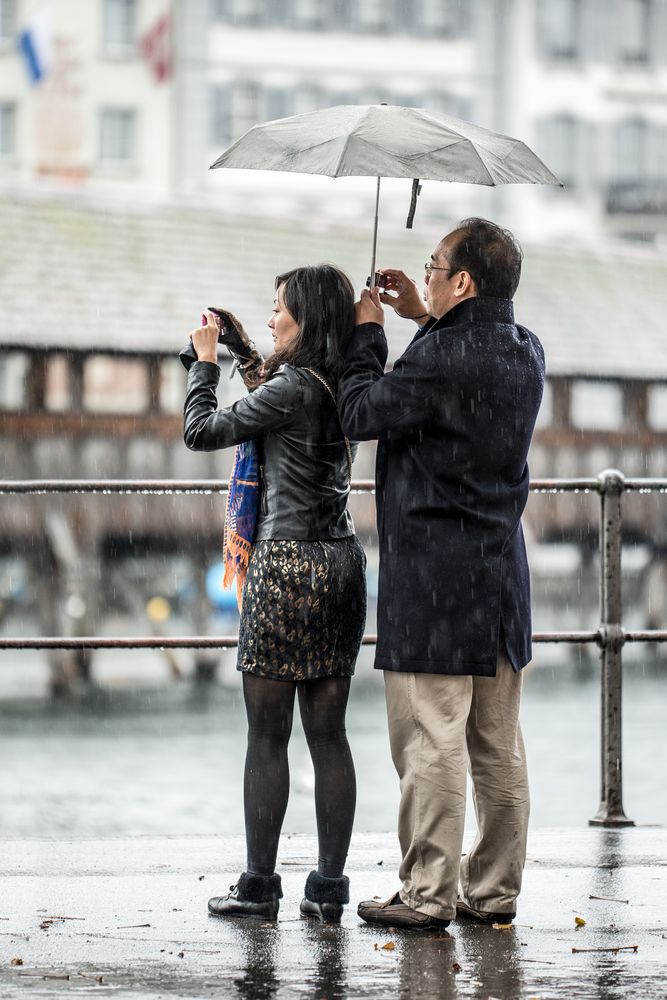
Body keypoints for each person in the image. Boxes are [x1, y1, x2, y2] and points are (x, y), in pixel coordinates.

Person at [337, 218, 545, 931]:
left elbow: (360, 411)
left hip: (433, 577)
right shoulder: (525, 350)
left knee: (430, 739)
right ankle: (491, 893)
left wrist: (369, 333)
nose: (422, 274)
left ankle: (426, 893)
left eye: (433, 267)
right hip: (500, 578)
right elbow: (462, 360)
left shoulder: (440, 360)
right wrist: (421, 316)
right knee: (495, 748)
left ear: (462, 281)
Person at [183, 264, 366, 924]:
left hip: (286, 567)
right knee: (329, 736)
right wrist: (240, 350)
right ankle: (328, 889)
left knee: (267, 736)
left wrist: (204, 366)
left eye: (278, 310)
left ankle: (260, 888)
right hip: (342, 564)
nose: (270, 318)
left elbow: (202, 431)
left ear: (307, 320)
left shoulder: (293, 386)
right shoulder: (338, 381)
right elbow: (281, 398)